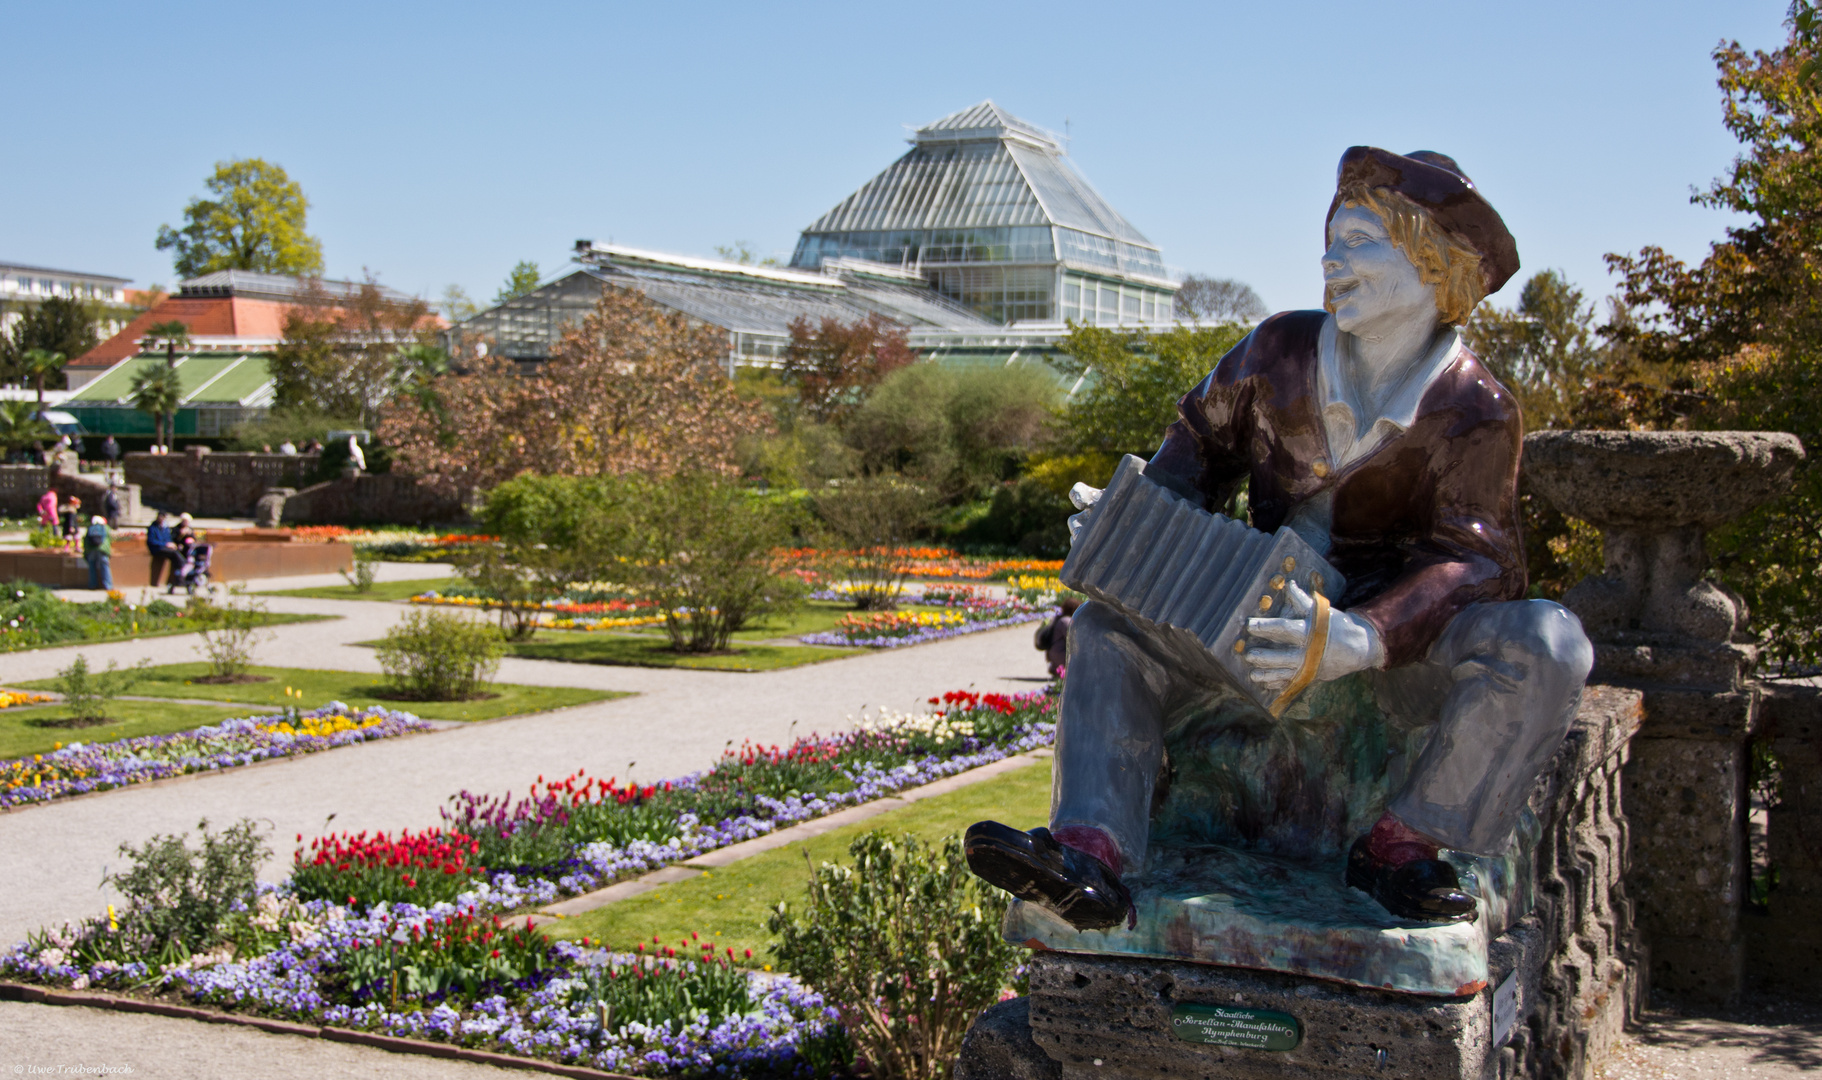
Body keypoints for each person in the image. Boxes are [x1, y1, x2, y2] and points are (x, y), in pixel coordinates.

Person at [965, 147, 1593, 930]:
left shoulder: (1476, 408)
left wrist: (1362, 637)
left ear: (1436, 264)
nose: (1333, 260)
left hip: (1389, 651)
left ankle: (1403, 845)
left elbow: (1480, 562)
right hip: (1253, 625)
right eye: (1331, 240)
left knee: (1549, 640)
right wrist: (1121, 521)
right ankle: (1091, 856)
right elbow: (1189, 461)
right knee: (1105, 626)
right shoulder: (1275, 353)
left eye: (1362, 241)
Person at [1034, 597, 1080, 680]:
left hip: (1052, 653)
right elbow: (1075, 639)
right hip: (1060, 654)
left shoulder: (1057, 618)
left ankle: (1056, 670)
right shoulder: (1066, 621)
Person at [146, 512, 180, 587]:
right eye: (160, 517)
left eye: (163, 517)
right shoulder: (153, 527)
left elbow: (168, 538)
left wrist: (171, 544)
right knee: (174, 553)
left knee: (175, 555)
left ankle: (176, 578)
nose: (161, 519)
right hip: (156, 549)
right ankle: (184, 565)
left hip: (164, 548)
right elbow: (151, 541)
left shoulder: (165, 527)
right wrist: (165, 544)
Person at [83, 515, 112, 592]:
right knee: (105, 567)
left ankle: (92, 585)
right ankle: (108, 585)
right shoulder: (106, 528)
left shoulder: (90, 528)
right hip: (103, 550)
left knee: (92, 567)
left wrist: (85, 553)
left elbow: (85, 541)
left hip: (91, 550)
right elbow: (109, 540)